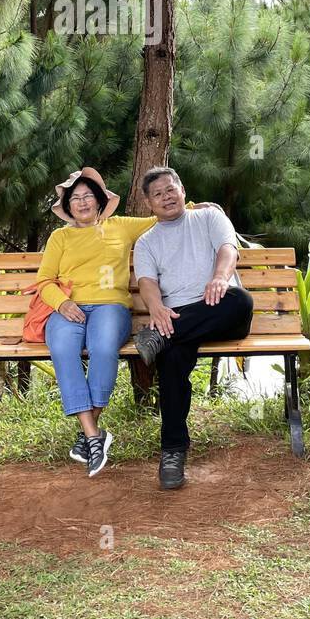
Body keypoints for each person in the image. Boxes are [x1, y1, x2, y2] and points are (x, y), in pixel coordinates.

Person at [132, 166, 253, 489]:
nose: (166, 197)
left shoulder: (210, 218)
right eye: (157, 194)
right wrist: (156, 307)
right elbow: (146, 282)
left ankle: (160, 336)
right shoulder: (146, 243)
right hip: (175, 319)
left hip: (220, 310)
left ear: (182, 190)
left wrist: (219, 278)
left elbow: (229, 250)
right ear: (149, 203)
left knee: (240, 300)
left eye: (170, 190)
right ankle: (173, 452)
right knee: (170, 361)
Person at [37, 167, 156, 478]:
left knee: (104, 348)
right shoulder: (59, 237)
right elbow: (45, 281)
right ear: (67, 207)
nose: (82, 202)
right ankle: (93, 436)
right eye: (75, 198)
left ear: (101, 200)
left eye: (88, 196)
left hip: (110, 307)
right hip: (67, 309)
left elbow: (160, 215)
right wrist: (62, 303)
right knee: (63, 349)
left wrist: (196, 206)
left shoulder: (120, 227)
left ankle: (89, 435)